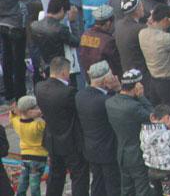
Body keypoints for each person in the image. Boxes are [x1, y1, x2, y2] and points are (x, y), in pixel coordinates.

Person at [35, 56, 90, 196]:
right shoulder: (68, 92)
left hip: (52, 140)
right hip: (71, 142)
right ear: (64, 72)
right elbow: (79, 112)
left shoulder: (39, 88)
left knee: (55, 176)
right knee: (79, 176)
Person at [74, 61, 121, 196]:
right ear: (105, 80)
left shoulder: (80, 96)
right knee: (113, 186)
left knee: (98, 183)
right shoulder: (105, 101)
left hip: (91, 149)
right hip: (108, 150)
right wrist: (118, 88)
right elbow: (123, 107)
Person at [105, 69, 154, 196]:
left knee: (127, 190)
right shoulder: (134, 107)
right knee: (142, 189)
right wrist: (141, 96)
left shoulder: (110, 103)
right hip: (137, 155)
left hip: (122, 153)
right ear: (137, 86)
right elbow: (153, 117)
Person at [140, 104, 170, 196]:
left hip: (152, 171)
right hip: (168, 173)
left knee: (157, 193)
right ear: (167, 118)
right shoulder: (167, 133)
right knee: (169, 194)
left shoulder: (144, 132)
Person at [11, 95, 47, 196]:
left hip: (25, 156)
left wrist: (15, 111)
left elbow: (12, 116)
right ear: (30, 111)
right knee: (34, 185)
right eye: (36, 108)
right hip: (38, 157)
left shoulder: (16, 122)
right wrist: (40, 115)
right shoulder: (38, 125)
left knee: (23, 181)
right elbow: (46, 123)